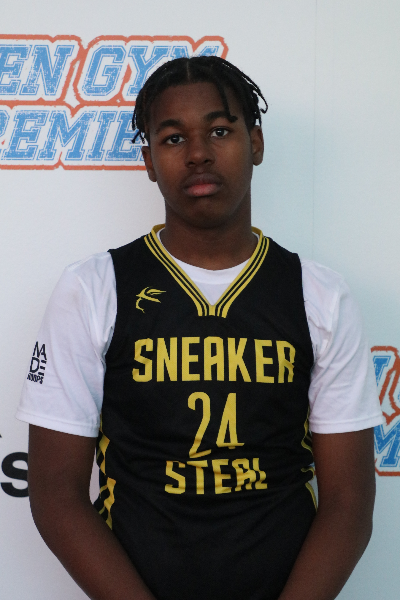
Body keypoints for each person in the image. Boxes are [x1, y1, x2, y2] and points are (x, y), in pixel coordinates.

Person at [17, 56, 383, 600]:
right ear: (148, 160)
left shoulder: (319, 294)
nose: (198, 154)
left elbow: (349, 504)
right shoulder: (93, 288)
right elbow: (54, 494)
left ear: (255, 142)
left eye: (219, 130)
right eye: (172, 138)